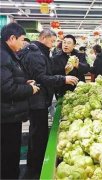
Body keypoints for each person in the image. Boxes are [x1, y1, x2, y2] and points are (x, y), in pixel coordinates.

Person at [19, 29, 78, 179]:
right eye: (52, 41)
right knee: (38, 134)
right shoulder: (35, 54)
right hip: (36, 100)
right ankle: (35, 168)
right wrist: (63, 79)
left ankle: (35, 164)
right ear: (44, 38)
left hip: (38, 98)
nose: (54, 45)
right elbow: (42, 77)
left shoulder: (39, 51)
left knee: (38, 132)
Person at [0, 22, 40, 179]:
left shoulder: (8, 54)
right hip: (6, 116)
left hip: (10, 114)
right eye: (22, 39)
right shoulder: (3, 56)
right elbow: (6, 89)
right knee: (8, 154)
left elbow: (8, 81)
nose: (23, 43)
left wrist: (24, 83)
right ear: (12, 38)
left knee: (10, 152)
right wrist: (30, 90)